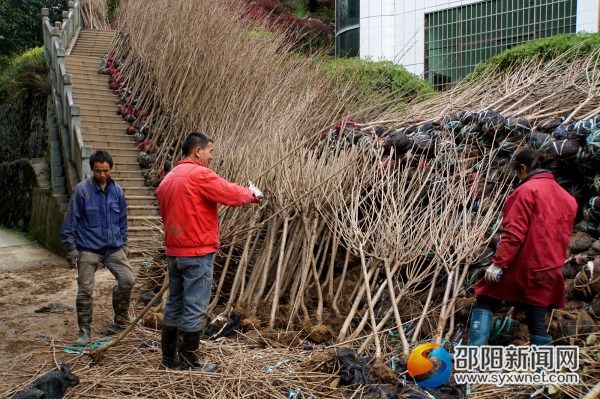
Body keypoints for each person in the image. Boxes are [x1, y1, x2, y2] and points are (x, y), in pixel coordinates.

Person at [156, 132, 262, 370]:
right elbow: (228, 192)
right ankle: (188, 362)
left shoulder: (168, 179)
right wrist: (252, 194)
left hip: (175, 253)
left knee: (174, 303)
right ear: (197, 151)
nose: (212, 157)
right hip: (196, 253)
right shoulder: (200, 174)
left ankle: (169, 359)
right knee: (194, 306)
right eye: (210, 151)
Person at [468, 148, 577, 346]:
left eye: (518, 173)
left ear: (524, 169)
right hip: (551, 269)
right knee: (536, 317)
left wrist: (498, 264)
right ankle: (542, 371)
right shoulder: (569, 199)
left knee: (485, 296)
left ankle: (474, 358)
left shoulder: (526, 191)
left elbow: (514, 234)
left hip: (524, 266)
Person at [60, 150, 135, 345]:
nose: (102, 175)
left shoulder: (118, 191)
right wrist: (72, 250)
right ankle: (84, 332)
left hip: (113, 247)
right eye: (98, 171)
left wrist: (123, 242)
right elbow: (70, 223)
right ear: (92, 169)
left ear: (111, 169)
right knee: (85, 290)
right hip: (88, 249)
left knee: (127, 280)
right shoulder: (81, 191)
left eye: (105, 171)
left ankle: (121, 320)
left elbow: (122, 221)